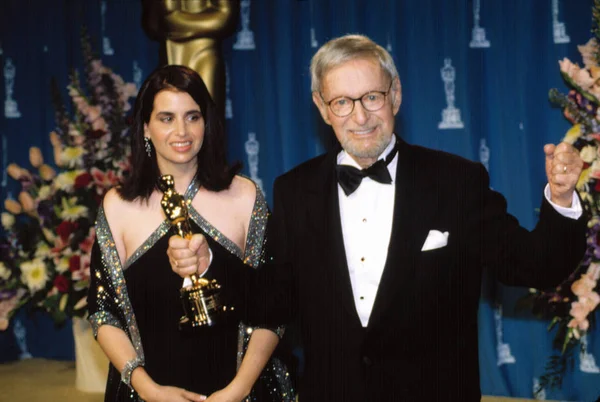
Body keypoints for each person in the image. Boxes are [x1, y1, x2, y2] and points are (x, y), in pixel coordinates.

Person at [169, 35, 588, 401]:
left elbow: (537, 264)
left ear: (396, 94)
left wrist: (562, 197)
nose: (361, 116)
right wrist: (211, 265)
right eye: (342, 102)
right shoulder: (295, 191)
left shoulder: (455, 181)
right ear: (322, 107)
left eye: (372, 97)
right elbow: (275, 301)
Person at [87, 65, 294, 402]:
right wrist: (148, 389)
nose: (181, 131)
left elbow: (275, 306)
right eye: (166, 118)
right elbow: (103, 311)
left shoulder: (245, 196)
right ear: (145, 128)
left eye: (192, 117)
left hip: (243, 392)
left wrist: (238, 391)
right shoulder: (117, 205)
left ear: (207, 123)